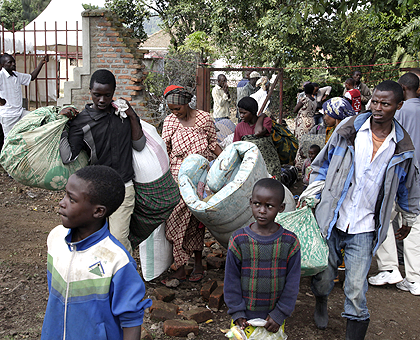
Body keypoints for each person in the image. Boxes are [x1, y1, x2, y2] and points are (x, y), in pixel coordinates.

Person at [300, 80, 420, 339]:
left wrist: (408, 218)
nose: (377, 107)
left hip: (366, 226)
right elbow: (323, 164)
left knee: (355, 289)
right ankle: (321, 300)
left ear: (398, 106)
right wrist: (314, 193)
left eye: (385, 103)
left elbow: (407, 188)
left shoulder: (402, 147)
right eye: (374, 101)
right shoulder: (349, 129)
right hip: (332, 218)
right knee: (324, 275)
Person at [41, 165, 152, 340]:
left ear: (98, 211)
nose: (62, 203)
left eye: (72, 199)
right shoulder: (55, 239)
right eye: (65, 195)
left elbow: (131, 319)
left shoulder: (117, 261)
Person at [59, 69, 146, 254]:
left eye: (107, 95)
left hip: (124, 186)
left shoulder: (121, 115)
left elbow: (139, 145)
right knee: (93, 239)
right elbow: (68, 157)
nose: (102, 100)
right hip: (94, 190)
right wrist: (63, 124)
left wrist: (131, 115)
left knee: (119, 240)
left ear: (113, 92)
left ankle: (125, 281)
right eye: (97, 94)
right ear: (90, 91)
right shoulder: (81, 121)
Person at [224, 178, 301, 335]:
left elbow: (292, 283)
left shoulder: (289, 242)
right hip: (243, 318)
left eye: (269, 206)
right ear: (251, 202)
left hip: (273, 319)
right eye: (257, 204)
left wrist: (280, 313)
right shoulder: (239, 240)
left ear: (281, 207)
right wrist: (236, 311)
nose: (262, 210)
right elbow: (231, 279)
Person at [162, 85, 222, 283]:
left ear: (187, 104)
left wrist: (227, 163)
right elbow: (165, 149)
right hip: (176, 177)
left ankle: (197, 264)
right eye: (171, 109)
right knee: (174, 218)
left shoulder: (204, 119)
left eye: (177, 109)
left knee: (196, 222)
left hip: (199, 179)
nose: (175, 113)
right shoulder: (170, 122)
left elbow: (213, 145)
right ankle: (179, 265)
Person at [368, 73, 420, 295]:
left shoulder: (403, 112)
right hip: (414, 174)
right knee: (414, 224)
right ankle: (415, 277)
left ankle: (389, 267)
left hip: (400, 172)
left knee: (385, 216)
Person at [0, 53, 49, 140]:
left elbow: (32, 77)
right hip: (8, 115)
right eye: (9, 62)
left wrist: (41, 63)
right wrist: (1, 101)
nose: (13, 64)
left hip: (20, 112)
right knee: (9, 139)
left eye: (14, 62)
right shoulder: (1, 76)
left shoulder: (16, 75)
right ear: (2, 65)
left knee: (40, 119)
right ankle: (8, 153)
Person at [233, 97, 282, 180]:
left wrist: (261, 116)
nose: (241, 116)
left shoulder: (266, 121)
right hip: (251, 167)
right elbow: (236, 147)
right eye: (240, 113)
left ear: (252, 112)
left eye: (244, 113)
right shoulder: (239, 127)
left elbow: (258, 132)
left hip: (270, 165)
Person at [293, 83, 317, 167]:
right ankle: (308, 162)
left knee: (301, 142)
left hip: (303, 122)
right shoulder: (314, 100)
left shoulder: (304, 99)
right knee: (308, 142)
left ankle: (299, 164)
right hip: (311, 121)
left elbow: (295, 110)